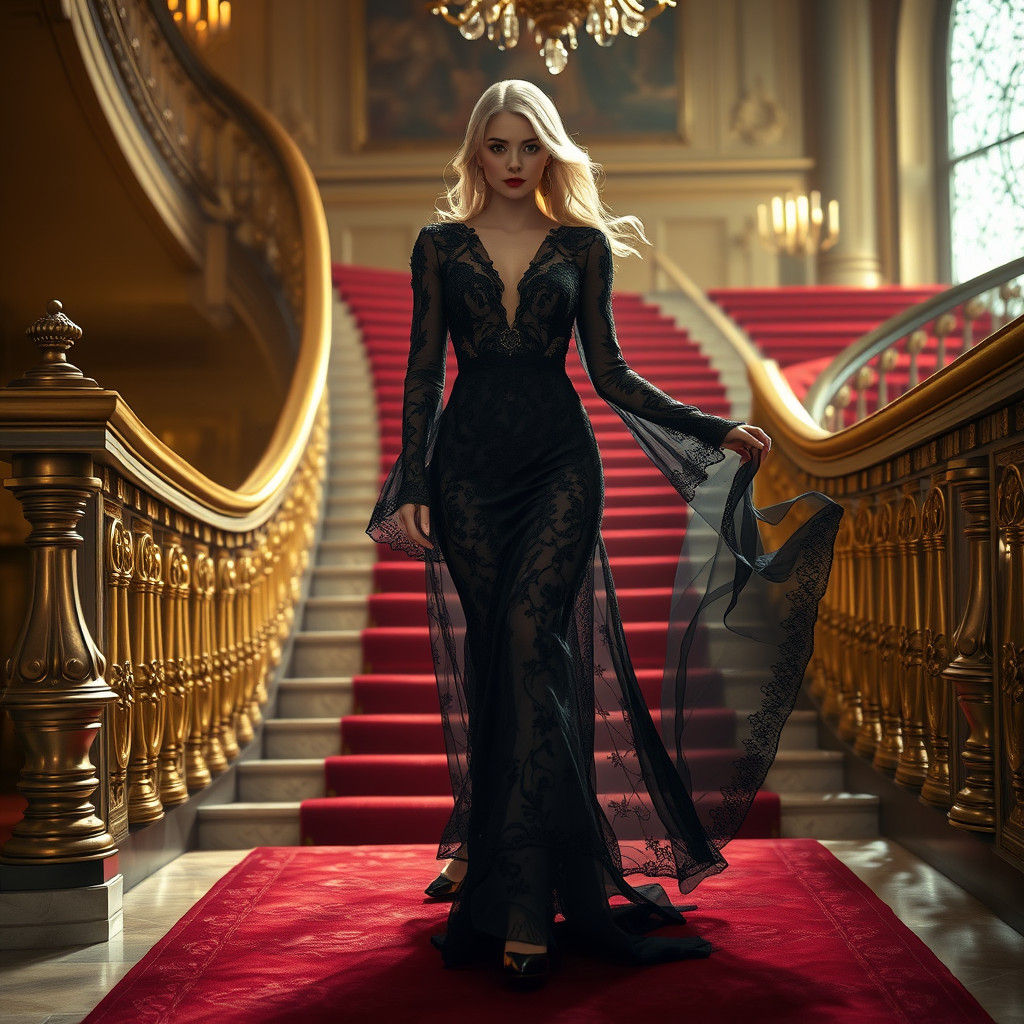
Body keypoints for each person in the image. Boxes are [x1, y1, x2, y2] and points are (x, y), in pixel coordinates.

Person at [366, 79, 842, 988]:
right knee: (502, 668)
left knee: (526, 641)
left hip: (559, 469)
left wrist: (712, 427)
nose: (513, 164)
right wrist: (414, 484)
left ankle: (531, 897)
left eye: (529, 147)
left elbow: (612, 373)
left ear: (551, 152)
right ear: (476, 153)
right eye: (497, 148)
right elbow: (424, 372)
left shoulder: (582, 247)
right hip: (466, 475)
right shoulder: (438, 245)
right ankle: (501, 859)